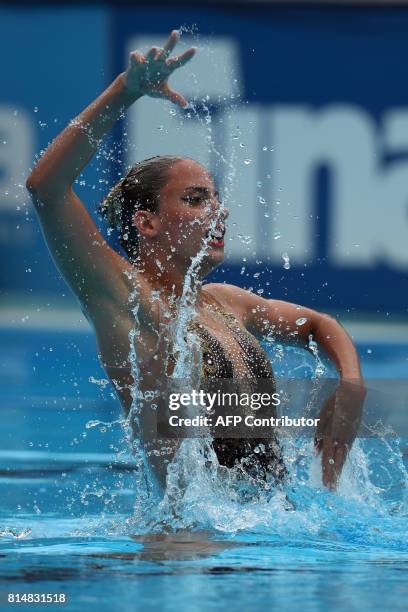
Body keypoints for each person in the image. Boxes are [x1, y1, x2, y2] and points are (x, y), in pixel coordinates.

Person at [26, 30, 366, 492]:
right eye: (195, 199)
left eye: (216, 198)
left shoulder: (226, 303)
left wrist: (349, 384)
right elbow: (46, 189)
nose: (218, 211)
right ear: (146, 223)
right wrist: (123, 92)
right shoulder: (124, 297)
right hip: (188, 543)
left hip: (268, 530)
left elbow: (317, 326)